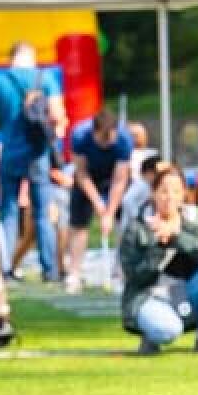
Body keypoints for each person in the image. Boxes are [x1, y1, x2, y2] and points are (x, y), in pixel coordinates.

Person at [119, 162, 198, 355]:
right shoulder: (136, 228)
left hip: (186, 293)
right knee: (168, 330)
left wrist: (176, 236)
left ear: (184, 194)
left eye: (176, 191)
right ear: (153, 193)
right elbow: (134, 275)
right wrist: (159, 249)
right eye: (163, 191)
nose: (170, 197)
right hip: (149, 296)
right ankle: (150, 334)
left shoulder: (194, 221)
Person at [0, 42, 66, 284]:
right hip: (38, 153)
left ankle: (5, 268)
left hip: (10, 151)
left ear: (11, 58)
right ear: (32, 57)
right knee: (42, 213)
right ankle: (50, 269)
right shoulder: (45, 79)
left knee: (9, 211)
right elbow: (57, 115)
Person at [64, 107, 133, 293]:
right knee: (78, 224)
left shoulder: (124, 139)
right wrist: (99, 205)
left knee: (124, 223)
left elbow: (120, 180)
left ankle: (122, 271)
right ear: (94, 132)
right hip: (87, 177)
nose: (108, 142)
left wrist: (109, 212)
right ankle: (74, 273)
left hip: (113, 177)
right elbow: (81, 173)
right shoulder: (79, 135)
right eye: (103, 139)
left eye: (111, 138)